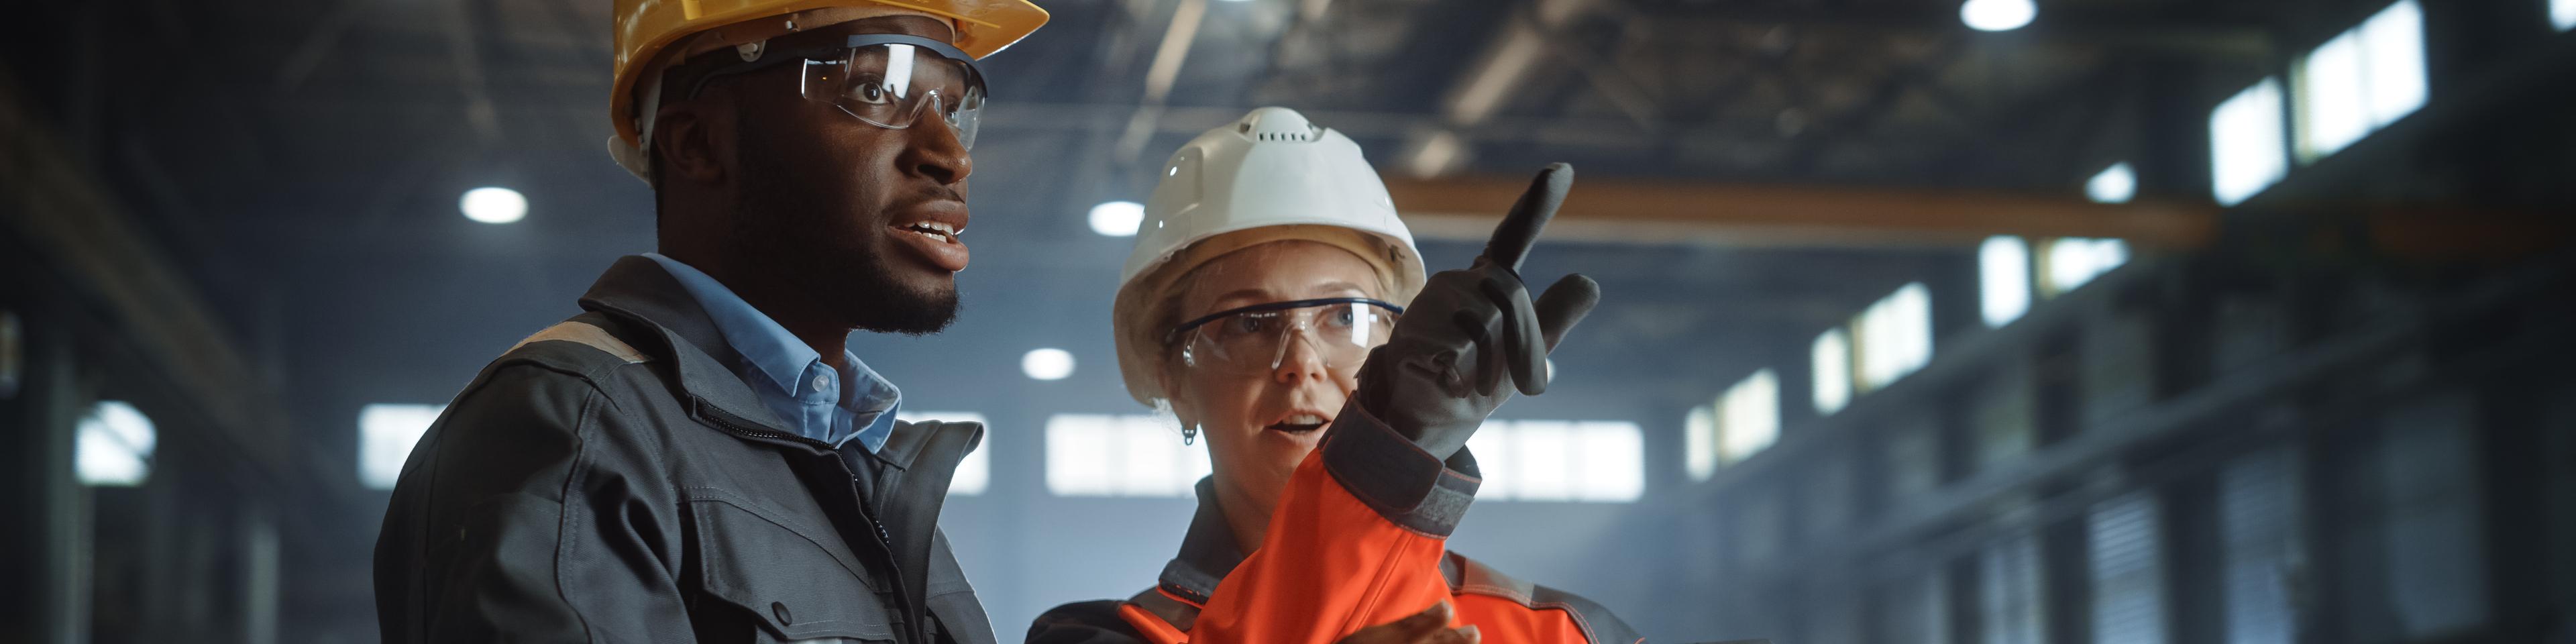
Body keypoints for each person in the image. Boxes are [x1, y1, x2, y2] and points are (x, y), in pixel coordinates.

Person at [370, 1, 1049, 642]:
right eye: (874, 91)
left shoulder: (862, 474)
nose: (951, 156)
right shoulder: (575, 430)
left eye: (956, 110)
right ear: (697, 143)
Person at [1028, 107, 1634, 644]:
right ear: (1173, 378)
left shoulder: (1564, 636)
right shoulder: (1101, 637)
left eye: (1344, 316)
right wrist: (1384, 459)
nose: (1302, 362)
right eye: (1248, 323)